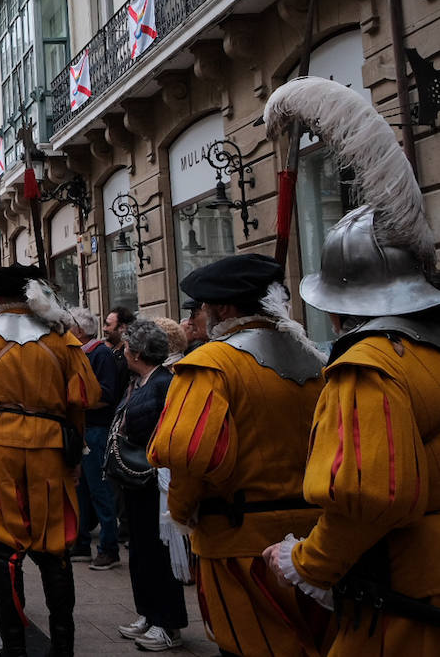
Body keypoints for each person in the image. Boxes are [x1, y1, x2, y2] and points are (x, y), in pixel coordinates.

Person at [260, 75, 440, 654]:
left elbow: (371, 497)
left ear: (339, 308)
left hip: (403, 608)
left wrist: (308, 562)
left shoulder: (368, 367)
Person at [148, 253, 328, 657]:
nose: (202, 315)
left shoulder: (210, 364)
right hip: (314, 540)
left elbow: (190, 456)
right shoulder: (316, 362)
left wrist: (180, 512)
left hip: (238, 545)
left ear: (224, 308)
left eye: (205, 307)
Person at [0, 264, 99, 657]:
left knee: (1, 549)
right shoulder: (64, 342)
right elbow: (82, 402)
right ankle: (62, 648)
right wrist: (75, 457)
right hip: (51, 452)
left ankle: (14, 648)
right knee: (55, 551)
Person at [110, 319, 187, 652]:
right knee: (141, 553)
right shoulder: (139, 380)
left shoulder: (163, 383)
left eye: (127, 346)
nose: (123, 351)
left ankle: (167, 623)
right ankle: (148, 613)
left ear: (138, 352)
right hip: (136, 480)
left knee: (157, 554)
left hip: (155, 480)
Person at [68, 307, 125, 571]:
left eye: (69, 327)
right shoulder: (80, 353)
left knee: (100, 491)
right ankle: (80, 543)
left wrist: (77, 403)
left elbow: (106, 395)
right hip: (83, 429)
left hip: (96, 430)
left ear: (79, 330)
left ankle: (108, 548)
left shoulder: (99, 354)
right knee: (80, 489)